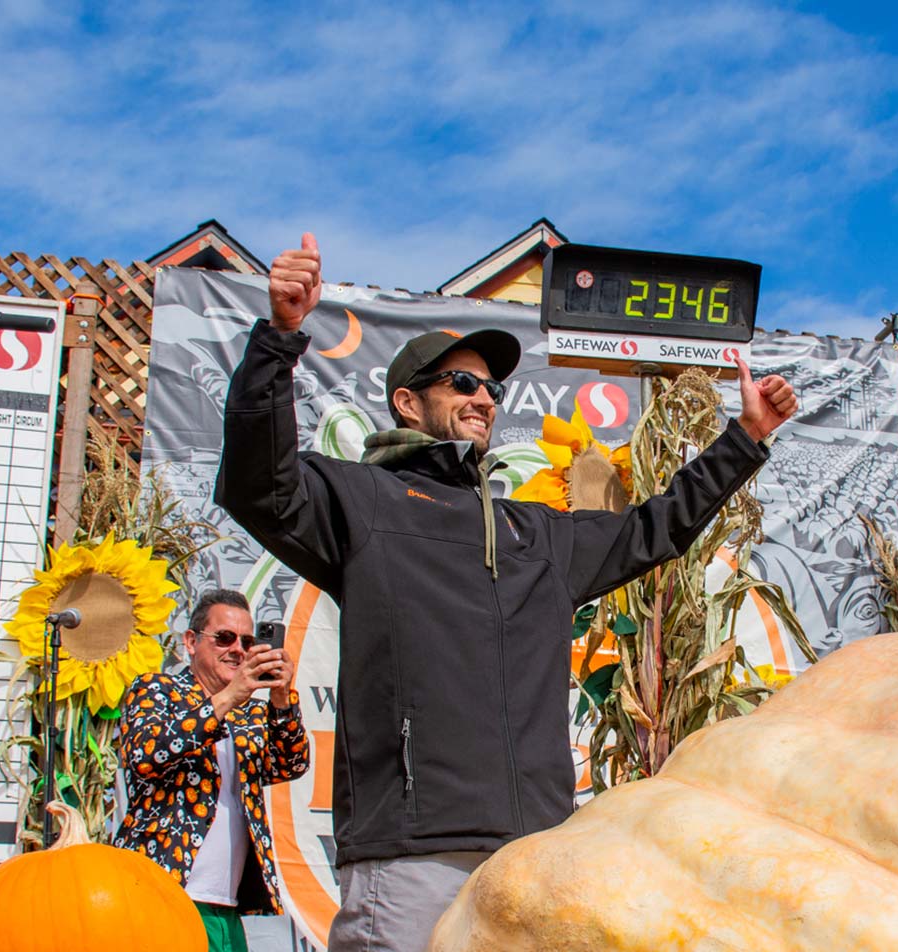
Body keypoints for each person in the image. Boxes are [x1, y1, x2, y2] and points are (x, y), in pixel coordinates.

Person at [214, 234, 798, 952]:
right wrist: (279, 336)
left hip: (532, 853)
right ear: (407, 401)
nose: (482, 398)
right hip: (411, 850)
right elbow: (256, 486)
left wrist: (746, 435)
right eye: (461, 383)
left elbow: (658, 528)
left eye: (492, 388)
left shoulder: (538, 535)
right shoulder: (359, 499)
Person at [117, 589, 310, 952]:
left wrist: (282, 698)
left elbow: (292, 763)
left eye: (247, 641)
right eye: (225, 637)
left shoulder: (250, 714)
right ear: (191, 642)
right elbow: (145, 754)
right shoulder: (157, 690)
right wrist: (228, 698)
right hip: (162, 891)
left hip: (227, 904)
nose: (238, 649)